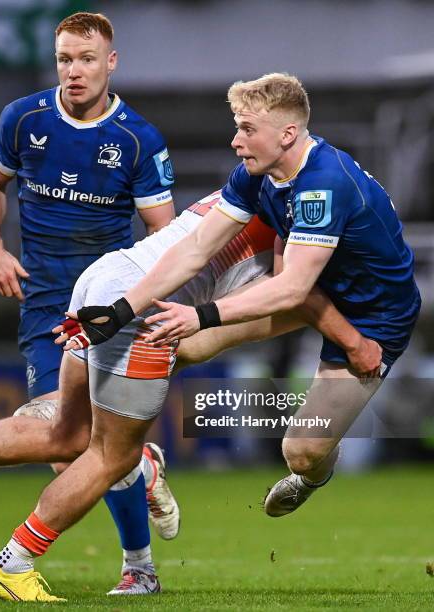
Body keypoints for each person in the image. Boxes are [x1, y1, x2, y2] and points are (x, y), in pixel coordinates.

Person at [0, 179, 382, 601]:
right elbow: (291, 291)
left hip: (105, 279)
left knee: (66, 436)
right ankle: (14, 563)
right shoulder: (298, 210)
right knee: (112, 456)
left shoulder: (253, 184)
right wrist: (352, 339)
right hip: (138, 312)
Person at [68, 73, 421, 519]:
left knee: (302, 451)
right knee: (168, 343)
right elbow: (196, 248)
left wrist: (202, 315)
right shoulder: (257, 175)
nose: (236, 141)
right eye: (238, 126)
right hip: (304, 286)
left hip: (373, 315)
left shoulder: (323, 184)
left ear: (287, 133)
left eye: (247, 129)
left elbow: (292, 288)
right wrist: (122, 309)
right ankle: (129, 454)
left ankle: (312, 476)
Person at [0, 10, 179, 594]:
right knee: (71, 450)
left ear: (111, 62)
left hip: (106, 309)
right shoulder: (23, 119)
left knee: (86, 449)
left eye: (87, 59)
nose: (74, 70)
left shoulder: (138, 139)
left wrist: (146, 303)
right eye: (65, 58)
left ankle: (138, 566)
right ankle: (141, 547)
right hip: (44, 307)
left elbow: (165, 237)